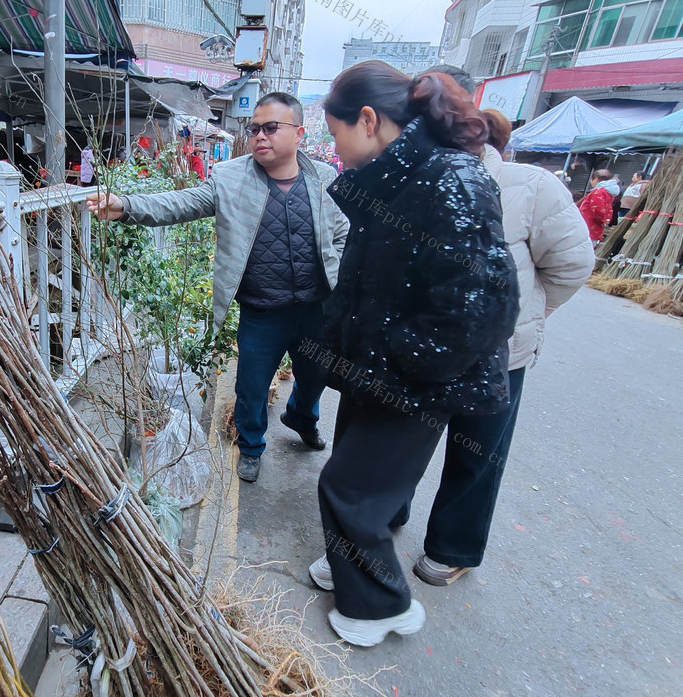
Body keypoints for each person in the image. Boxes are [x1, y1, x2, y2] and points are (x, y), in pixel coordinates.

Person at [309, 61, 519, 647]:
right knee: (359, 485)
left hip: (415, 377)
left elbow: (483, 304)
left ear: (368, 120)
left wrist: (401, 358)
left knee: (349, 490)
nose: (335, 148)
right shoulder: (399, 176)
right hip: (378, 367)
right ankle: (353, 568)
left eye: (336, 133)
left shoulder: (451, 178)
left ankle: (380, 607)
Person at [87, 92, 349, 483]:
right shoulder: (230, 178)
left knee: (315, 378)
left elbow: (343, 231)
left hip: (315, 309)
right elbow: (183, 202)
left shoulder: (324, 178)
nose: (259, 136)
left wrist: (337, 274)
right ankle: (252, 447)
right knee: (252, 387)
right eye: (254, 129)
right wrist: (128, 207)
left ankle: (301, 417)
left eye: (271, 127)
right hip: (262, 311)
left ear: (299, 134)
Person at [402, 108, 594, 588]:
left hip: (498, 356)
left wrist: (525, 315)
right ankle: (385, 513)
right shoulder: (414, 176)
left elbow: (570, 263)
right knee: (401, 441)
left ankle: (451, 547)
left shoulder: (530, 186)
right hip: (422, 349)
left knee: (478, 451)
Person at [578, 169, 617, 245]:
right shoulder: (608, 192)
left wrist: (602, 220)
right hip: (596, 227)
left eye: (592, 179)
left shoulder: (598, 192)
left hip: (589, 227)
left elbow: (598, 209)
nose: (591, 182)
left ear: (596, 179)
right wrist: (605, 220)